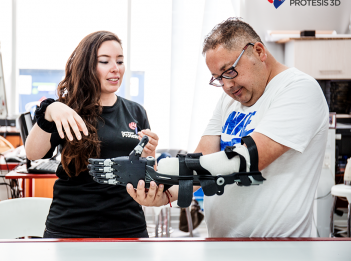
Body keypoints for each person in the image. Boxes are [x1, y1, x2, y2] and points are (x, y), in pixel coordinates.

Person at [126, 18, 329, 237]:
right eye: (218, 79)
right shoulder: (230, 100)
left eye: (229, 71)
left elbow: (248, 159)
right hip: (221, 244)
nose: (227, 86)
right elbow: (203, 156)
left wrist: (165, 168)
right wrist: (168, 193)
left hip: (275, 249)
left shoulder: (298, 89)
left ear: (259, 51)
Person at [25, 31, 159, 238]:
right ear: (87, 66)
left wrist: (150, 155)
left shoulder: (136, 112)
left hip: (126, 224)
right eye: (105, 61)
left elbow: (147, 175)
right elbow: (33, 153)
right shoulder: (66, 110)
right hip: (70, 224)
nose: (116, 68)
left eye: (120, 61)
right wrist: (49, 110)